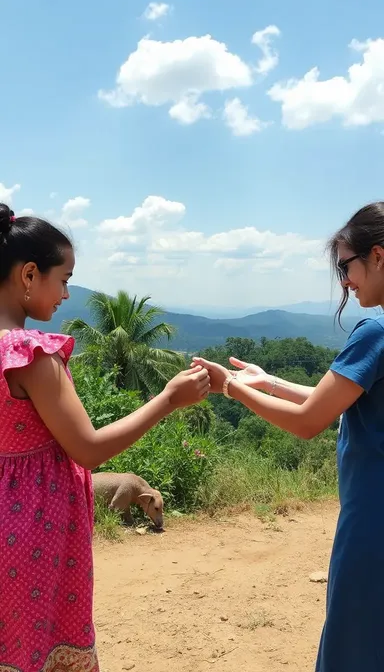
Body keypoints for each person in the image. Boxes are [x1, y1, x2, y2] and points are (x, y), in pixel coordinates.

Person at [0, 203, 210, 672]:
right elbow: (88, 449)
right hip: (36, 534)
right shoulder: (30, 356)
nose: (67, 294)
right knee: (45, 650)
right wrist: (169, 398)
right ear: (30, 275)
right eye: (65, 278)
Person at [192, 202, 384, 671]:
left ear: (377, 255)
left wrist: (231, 387)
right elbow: (335, 399)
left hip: (372, 520)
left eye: (346, 266)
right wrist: (267, 380)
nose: (344, 281)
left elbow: (308, 422)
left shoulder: (374, 331)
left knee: (355, 641)